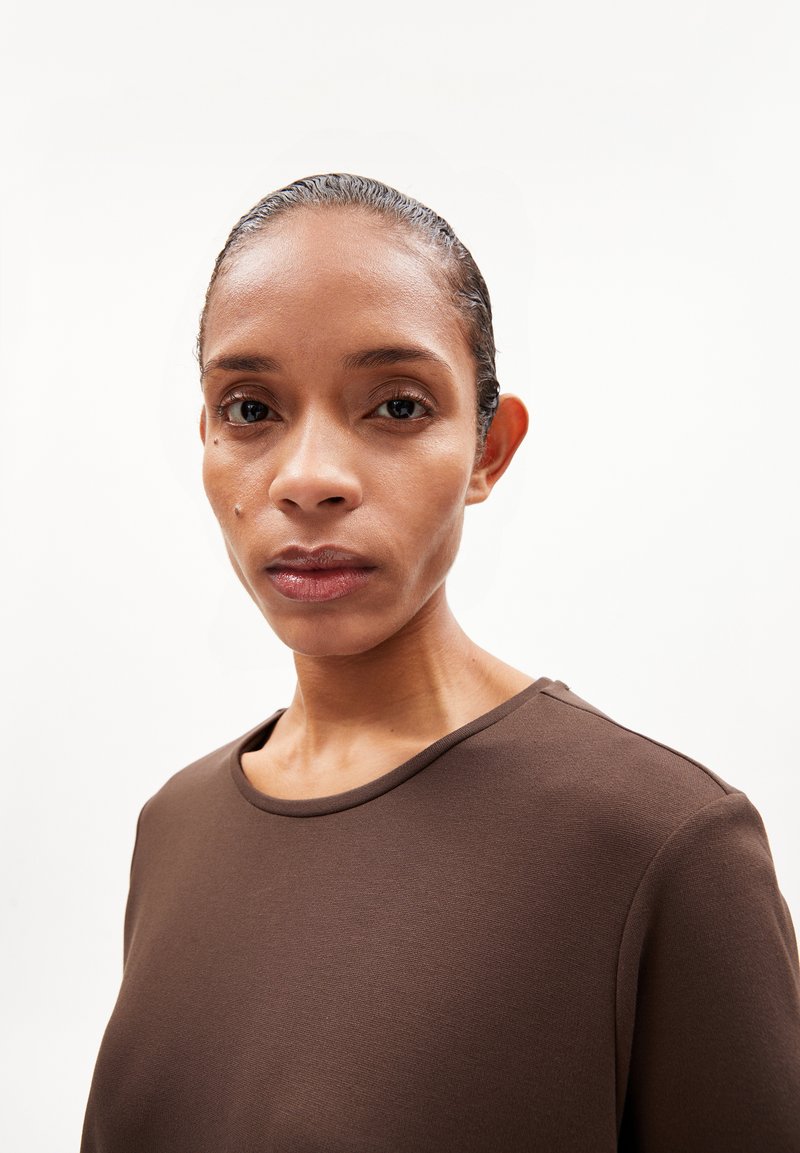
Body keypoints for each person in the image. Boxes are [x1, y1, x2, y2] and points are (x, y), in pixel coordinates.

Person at [80, 174, 800, 1152]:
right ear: (204, 436)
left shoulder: (660, 843)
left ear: (487, 451)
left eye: (396, 405)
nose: (310, 478)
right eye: (249, 408)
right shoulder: (174, 826)